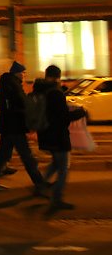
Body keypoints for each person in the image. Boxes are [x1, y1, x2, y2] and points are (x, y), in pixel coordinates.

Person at [0, 61, 46, 194]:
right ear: (17, 73)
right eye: (23, 72)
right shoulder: (13, 85)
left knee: (3, 155)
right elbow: (21, 103)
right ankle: (39, 183)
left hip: (9, 126)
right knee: (26, 155)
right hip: (15, 126)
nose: (24, 75)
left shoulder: (9, 84)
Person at [36, 65, 86, 210]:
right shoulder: (56, 93)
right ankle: (56, 199)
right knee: (63, 168)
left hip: (45, 133)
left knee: (56, 162)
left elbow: (52, 111)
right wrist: (80, 113)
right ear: (58, 77)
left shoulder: (41, 90)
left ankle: (40, 186)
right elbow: (63, 117)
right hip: (57, 135)